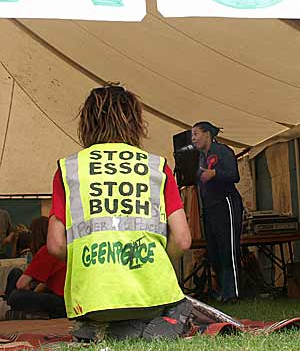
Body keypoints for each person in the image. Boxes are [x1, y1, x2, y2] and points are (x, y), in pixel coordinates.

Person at [47, 83, 192, 341]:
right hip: (151, 297)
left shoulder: (69, 169)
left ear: (87, 123)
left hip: (92, 301)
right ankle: (145, 325)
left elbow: (56, 245)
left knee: (99, 314)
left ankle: (104, 329)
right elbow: (182, 239)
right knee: (181, 305)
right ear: (136, 123)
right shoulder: (157, 167)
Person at [191, 121, 243, 303]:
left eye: (196, 134)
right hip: (210, 208)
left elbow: (234, 175)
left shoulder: (223, 151)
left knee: (228, 247)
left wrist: (215, 174)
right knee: (214, 252)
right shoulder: (200, 158)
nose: (193, 138)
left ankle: (233, 293)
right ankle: (223, 290)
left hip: (226, 203)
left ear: (207, 134)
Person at [6, 216, 66, 319]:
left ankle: (12, 308)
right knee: (16, 273)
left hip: (59, 302)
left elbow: (21, 284)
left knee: (15, 296)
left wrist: (29, 291)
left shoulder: (46, 251)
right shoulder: (63, 248)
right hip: (65, 298)